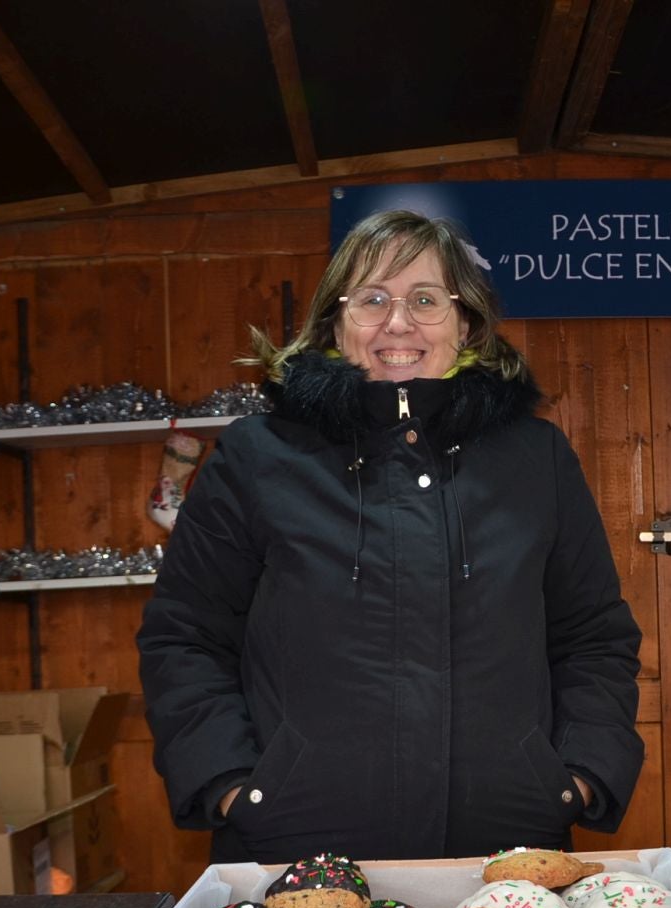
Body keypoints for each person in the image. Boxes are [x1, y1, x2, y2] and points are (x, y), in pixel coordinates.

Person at [137, 208, 644, 862]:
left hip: (505, 855)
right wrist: (232, 785)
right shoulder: (258, 457)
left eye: (426, 300)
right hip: (294, 852)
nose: (398, 323)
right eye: (371, 299)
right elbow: (185, 636)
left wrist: (576, 779)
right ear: (335, 324)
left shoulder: (535, 459)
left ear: (466, 323)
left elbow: (593, 636)